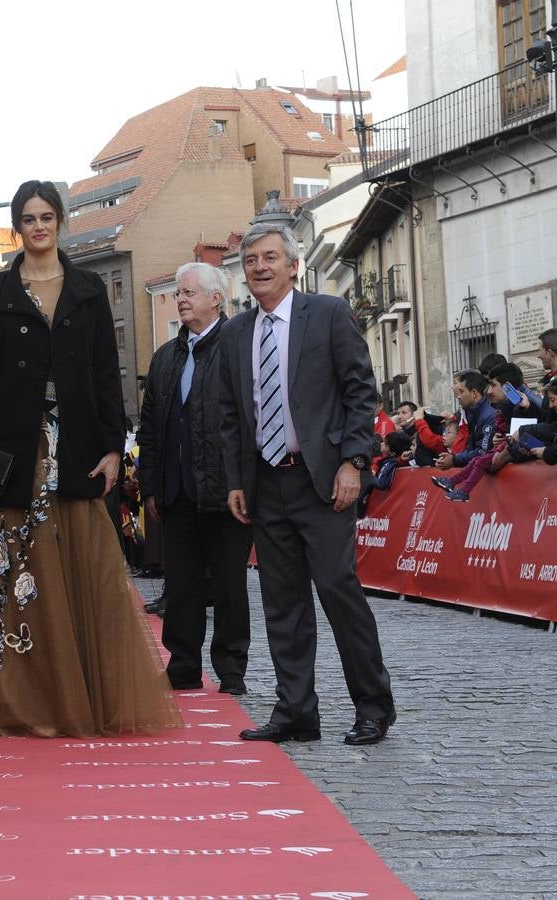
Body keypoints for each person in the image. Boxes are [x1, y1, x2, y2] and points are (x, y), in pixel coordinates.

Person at [0, 179, 180, 738]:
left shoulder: (89, 289)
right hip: (11, 449)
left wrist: (112, 448)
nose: (39, 226)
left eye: (47, 216)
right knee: (15, 573)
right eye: (28, 218)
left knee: (79, 572)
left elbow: (106, 375)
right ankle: (24, 696)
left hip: (72, 449)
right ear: (18, 226)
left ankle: (81, 694)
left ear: (60, 221)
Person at [218, 220, 395, 746]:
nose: (260, 268)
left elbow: (362, 393)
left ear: (294, 266)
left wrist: (354, 463)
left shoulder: (330, 315)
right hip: (266, 483)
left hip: (324, 481)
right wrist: (236, 480)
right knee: (282, 601)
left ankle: (373, 707)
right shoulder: (236, 332)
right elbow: (232, 413)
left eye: (271, 258)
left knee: (339, 592)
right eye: (251, 261)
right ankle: (296, 710)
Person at [135, 261, 251, 695]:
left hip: (227, 492)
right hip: (176, 492)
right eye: (179, 293)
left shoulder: (238, 346)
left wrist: (246, 482)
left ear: (215, 298)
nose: (180, 299)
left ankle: (231, 670)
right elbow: (151, 427)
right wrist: (149, 486)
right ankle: (182, 667)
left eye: (187, 292)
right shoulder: (167, 356)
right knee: (180, 587)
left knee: (228, 586)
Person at [436, 369, 497, 473]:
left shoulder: (488, 415)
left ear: (474, 393)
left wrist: (454, 460)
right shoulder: (471, 412)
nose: (458, 396)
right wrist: (454, 456)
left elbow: (482, 451)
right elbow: (471, 447)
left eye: (462, 391)